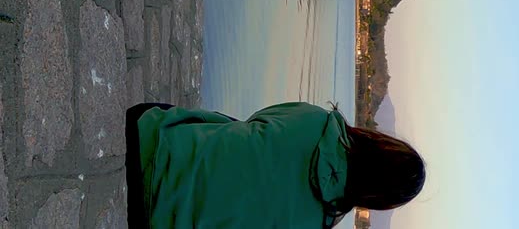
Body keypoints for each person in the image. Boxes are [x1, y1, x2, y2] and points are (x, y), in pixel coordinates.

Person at [125, 101, 425, 229]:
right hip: (151, 220)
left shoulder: (316, 119)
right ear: (375, 199)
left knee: (239, 129)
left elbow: (255, 122)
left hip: (152, 140)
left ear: (377, 140)